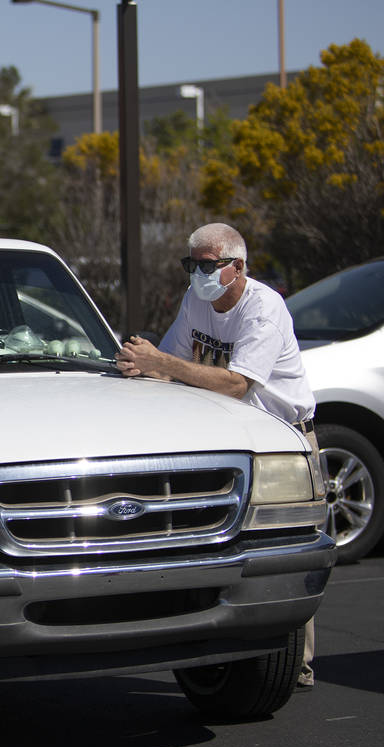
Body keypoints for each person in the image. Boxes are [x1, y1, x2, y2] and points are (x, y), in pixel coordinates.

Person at [117, 221, 319, 690]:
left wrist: (164, 365)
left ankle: (295, 665)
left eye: (209, 265)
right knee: (224, 548)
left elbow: (236, 383)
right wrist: (141, 365)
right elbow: (171, 362)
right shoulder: (197, 301)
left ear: (238, 267)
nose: (199, 274)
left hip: (281, 444)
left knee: (280, 550)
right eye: (193, 265)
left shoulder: (264, 309)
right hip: (225, 441)